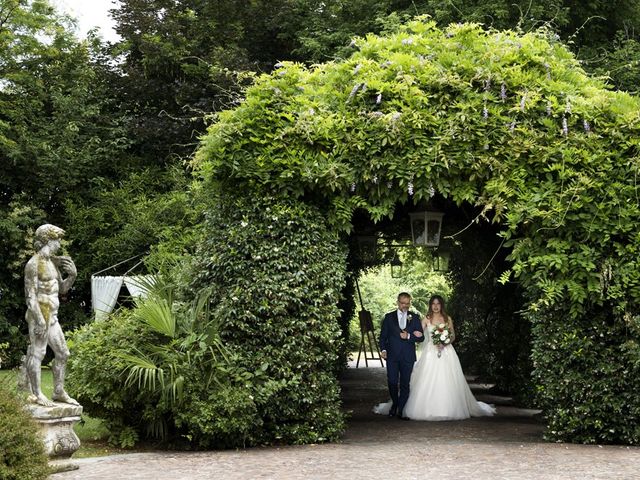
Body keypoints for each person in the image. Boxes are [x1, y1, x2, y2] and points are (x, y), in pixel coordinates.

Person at [401, 295, 495, 420]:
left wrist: (444, 343)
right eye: (433, 304)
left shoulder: (447, 318)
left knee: (448, 378)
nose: (435, 306)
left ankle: (449, 408)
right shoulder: (426, 319)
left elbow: (453, 336)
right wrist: (411, 334)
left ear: (441, 305)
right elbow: (418, 335)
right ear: (430, 305)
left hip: (447, 352)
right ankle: (427, 408)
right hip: (430, 353)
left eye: (438, 304)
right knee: (427, 378)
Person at [22, 224, 79, 407]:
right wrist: (39, 320)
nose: (59, 244)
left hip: (53, 315)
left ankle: (58, 391)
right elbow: (30, 297)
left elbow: (61, 289)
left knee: (63, 353)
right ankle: (37, 394)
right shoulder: (33, 264)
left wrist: (72, 275)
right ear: (48, 240)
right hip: (40, 313)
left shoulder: (53, 262)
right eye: (57, 240)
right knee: (38, 353)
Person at [377, 292, 424, 420]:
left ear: (410, 303)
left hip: (407, 356)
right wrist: (383, 350)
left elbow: (421, 337)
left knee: (405, 383)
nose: (405, 306)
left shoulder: (414, 317)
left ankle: (401, 410)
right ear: (398, 302)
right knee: (392, 381)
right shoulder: (389, 317)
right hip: (392, 356)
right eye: (402, 303)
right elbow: (383, 337)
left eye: (407, 303)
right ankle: (395, 403)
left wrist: (409, 336)